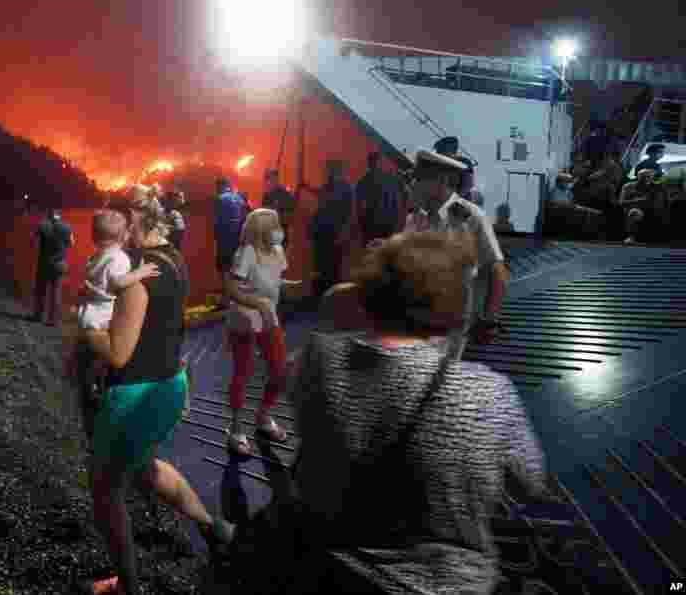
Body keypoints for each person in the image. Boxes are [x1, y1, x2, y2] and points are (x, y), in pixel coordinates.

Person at [251, 230, 551, 595]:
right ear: (453, 306)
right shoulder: (487, 392)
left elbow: (316, 357)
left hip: (326, 570)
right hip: (446, 583)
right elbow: (529, 483)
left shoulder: (319, 360)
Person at [80, 185, 235, 595]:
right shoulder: (175, 259)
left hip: (134, 396)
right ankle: (215, 526)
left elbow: (116, 354)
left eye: (116, 227)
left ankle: (128, 586)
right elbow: (168, 327)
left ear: (131, 221)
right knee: (147, 469)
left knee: (105, 491)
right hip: (169, 384)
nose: (112, 238)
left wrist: (87, 330)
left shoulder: (138, 278)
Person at [402, 150, 508, 360]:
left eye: (418, 179)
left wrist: (489, 319)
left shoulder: (470, 217)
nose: (411, 185)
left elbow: (498, 270)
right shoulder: (416, 217)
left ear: (440, 181)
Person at [66, 210, 160, 441]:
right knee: (103, 359)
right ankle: (96, 390)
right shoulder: (119, 258)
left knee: (90, 360)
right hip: (102, 316)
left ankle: (89, 388)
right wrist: (141, 272)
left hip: (88, 312)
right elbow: (118, 282)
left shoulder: (95, 256)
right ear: (124, 236)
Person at [223, 208, 304, 455]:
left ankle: (263, 416)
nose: (279, 230)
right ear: (261, 231)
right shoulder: (246, 253)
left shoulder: (278, 251)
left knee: (280, 370)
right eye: (274, 226)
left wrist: (288, 286)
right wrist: (256, 302)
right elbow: (232, 289)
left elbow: (274, 279)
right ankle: (236, 428)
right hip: (245, 320)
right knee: (243, 373)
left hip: (268, 317)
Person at [305, 159, 353, 299]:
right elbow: (321, 195)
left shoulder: (345, 188)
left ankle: (330, 297)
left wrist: (344, 232)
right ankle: (319, 297)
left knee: (331, 267)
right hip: (322, 233)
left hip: (334, 233)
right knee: (321, 267)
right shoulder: (330, 186)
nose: (328, 173)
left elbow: (349, 212)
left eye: (330, 170)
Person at [31, 208, 73, 326]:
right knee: (56, 292)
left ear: (48, 215)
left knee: (41, 290)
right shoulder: (67, 227)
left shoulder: (42, 225)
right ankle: (53, 320)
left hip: (44, 262)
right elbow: (71, 244)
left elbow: (34, 242)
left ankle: (38, 316)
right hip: (59, 263)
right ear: (60, 215)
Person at [355, 152, 404, 247]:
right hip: (387, 225)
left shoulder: (365, 180)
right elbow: (398, 200)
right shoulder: (389, 178)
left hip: (373, 225)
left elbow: (359, 204)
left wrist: (361, 222)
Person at [213, 176, 250, 305]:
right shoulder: (239, 198)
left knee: (224, 269)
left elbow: (217, 221)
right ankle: (238, 298)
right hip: (239, 239)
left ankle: (226, 300)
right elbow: (247, 216)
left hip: (225, 239)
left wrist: (216, 237)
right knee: (237, 269)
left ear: (219, 186)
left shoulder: (220, 198)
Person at [619, 168, 669, 244]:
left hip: (652, 210)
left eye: (648, 177)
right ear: (638, 177)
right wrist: (639, 201)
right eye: (643, 177)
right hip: (635, 210)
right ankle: (632, 237)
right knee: (634, 212)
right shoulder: (628, 187)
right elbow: (621, 202)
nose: (646, 179)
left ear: (652, 178)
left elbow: (664, 202)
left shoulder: (658, 187)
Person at [261, 169, 296, 248]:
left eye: (271, 180)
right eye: (267, 180)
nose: (268, 183)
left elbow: (289, 217)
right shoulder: (266, 196)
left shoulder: (285, 195)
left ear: (276, 179)